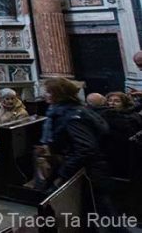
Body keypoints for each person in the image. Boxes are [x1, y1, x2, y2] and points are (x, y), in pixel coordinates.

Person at [41, 77, 115, 214]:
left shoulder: (72, 116)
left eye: (49, 92)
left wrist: (63, 174)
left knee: (102, 212)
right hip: (84, 168)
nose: (45, 95)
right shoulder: (71, 110)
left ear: (59, 94)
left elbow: (86, 148)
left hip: (86, 171)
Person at [101, 92, 142, 178]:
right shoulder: (131, 114)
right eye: (110, 100)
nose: (112, 103)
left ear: (124, 103)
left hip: (129, 152)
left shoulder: (127, 116)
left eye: (117, 101)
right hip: (117, 153)